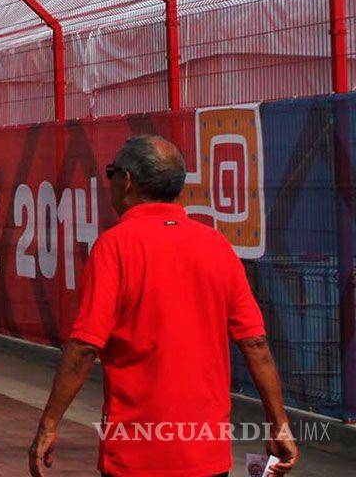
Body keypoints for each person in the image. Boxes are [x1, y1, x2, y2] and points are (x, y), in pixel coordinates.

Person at [28, 135, 295, 477]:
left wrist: (48, 425)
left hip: (135, 456)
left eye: (111, 173)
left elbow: (84, 347)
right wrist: (279, 424)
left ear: (126, 180)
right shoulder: (216, 246)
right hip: (206, 455)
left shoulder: (115, 246)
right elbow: (255, 344)